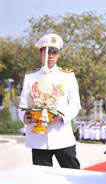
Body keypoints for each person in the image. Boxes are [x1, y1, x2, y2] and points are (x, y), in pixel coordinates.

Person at [19, 33, 81, 169]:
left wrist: (61, 115)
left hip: (61, 136)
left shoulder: (68, 76)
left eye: (54, 52)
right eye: (46, 51)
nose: (50, 55)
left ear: (59, 54)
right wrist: (25, 116)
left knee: (73, 175)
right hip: (38, 138)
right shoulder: (30, 77)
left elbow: (75, 104)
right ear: (40, 53)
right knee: (42, 180)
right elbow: (22, 105)